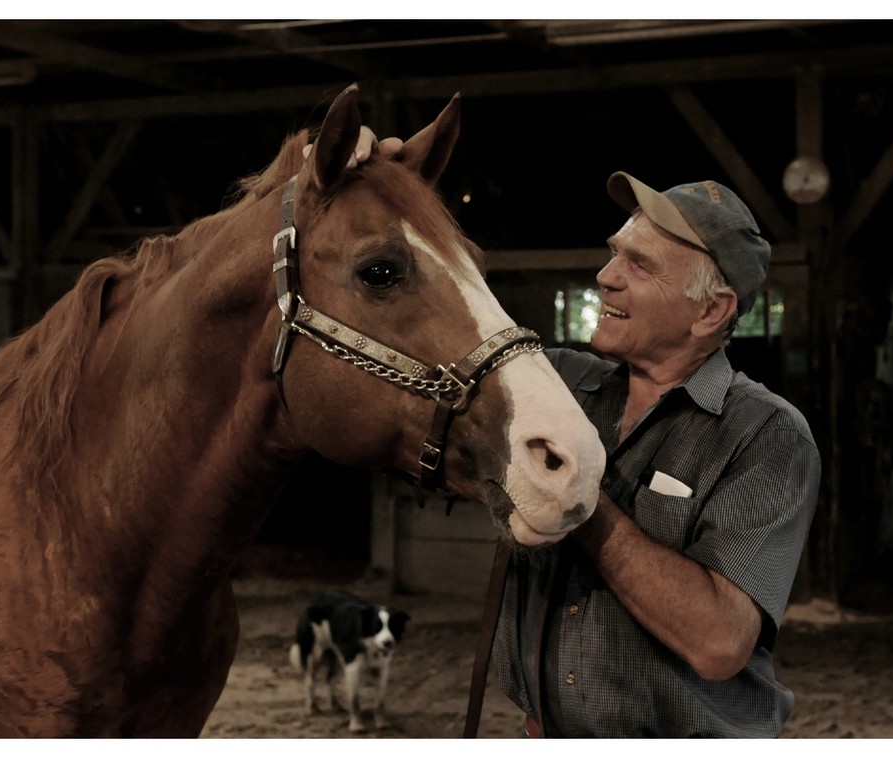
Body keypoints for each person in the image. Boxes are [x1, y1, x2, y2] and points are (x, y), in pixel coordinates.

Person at [339, 131, 821, 738]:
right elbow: (391, 377)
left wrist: (572, 499)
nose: (605, 276)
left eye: (639, 266)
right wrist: (360, 185)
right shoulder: (556, 383)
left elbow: (719, 641)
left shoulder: (766, 434)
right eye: (615, 253)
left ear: (711, 311)